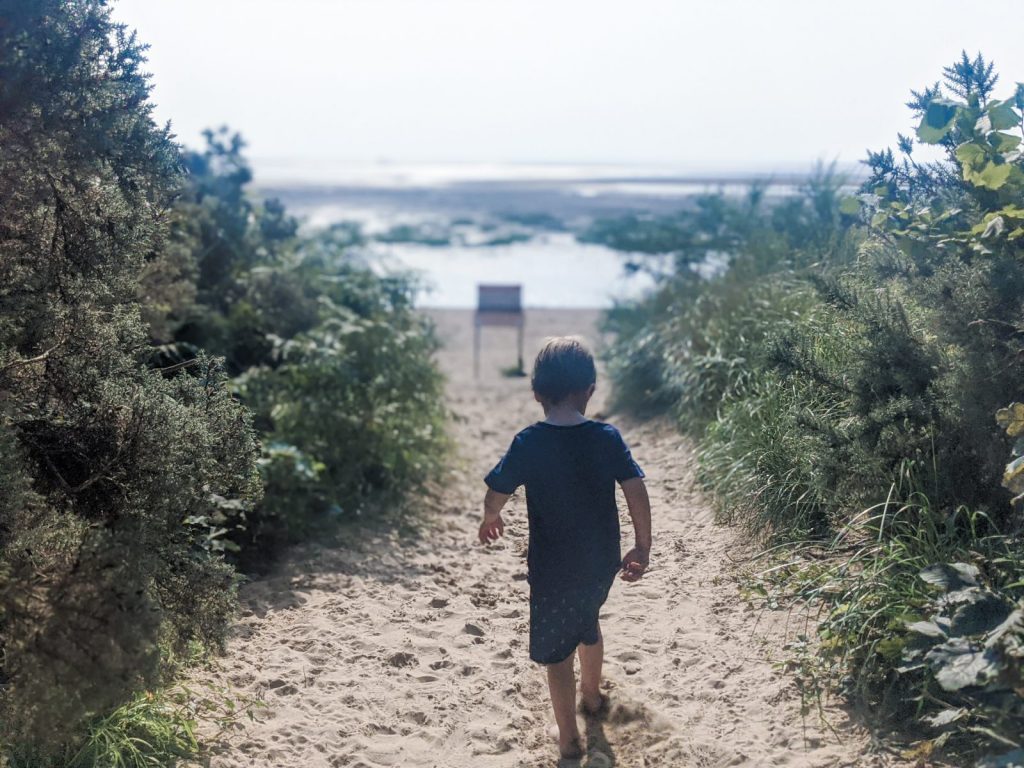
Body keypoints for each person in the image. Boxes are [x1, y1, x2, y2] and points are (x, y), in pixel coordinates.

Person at [477, 335, 652, 760]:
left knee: (558, 654)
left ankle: (568, 736)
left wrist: (490, 517)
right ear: (590, 388)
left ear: (536, 392)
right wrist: (642, 546)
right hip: (600, 563)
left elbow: (497, 490)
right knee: (587, 621)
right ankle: (591, 695)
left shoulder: (528, 442)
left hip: (552, 566)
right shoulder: (606, 438)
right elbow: (635, 490)